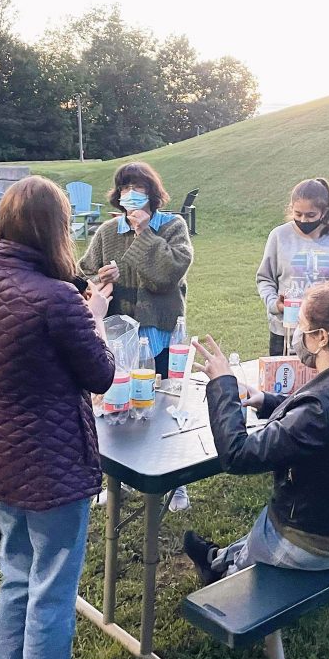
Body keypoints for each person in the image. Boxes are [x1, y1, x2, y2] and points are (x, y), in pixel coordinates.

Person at [0, 176, 115, 659]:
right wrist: (97, 314)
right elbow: (101, 374)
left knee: (18, 573)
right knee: (53, 588)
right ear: (55, 229)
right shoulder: (58, 299)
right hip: (52, 463)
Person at [182, 282, 329, 583]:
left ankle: (223, 573)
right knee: (268, 522)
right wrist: (267, 400)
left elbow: (237, 455)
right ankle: (220, 558)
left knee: (272, 527)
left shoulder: (319, 411)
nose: (297, 334)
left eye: (303, 327)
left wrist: (223, 384)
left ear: (321, 337)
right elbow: (322, 420)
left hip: (325, 541)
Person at [77, 161, 193, 511]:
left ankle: (175, 480)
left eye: (138, 187)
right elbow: (84, 273)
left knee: (163, 403)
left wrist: (145, 236)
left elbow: (167, 275)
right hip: (118, 331)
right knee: (117, 403)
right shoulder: (108, 232)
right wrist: (101, 275)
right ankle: (117, 478)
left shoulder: (173, 226)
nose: (131, 194)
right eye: (125, 187)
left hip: (159, 331)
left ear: (153, 193)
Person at [257, 178, 329, 356]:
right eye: (298, 214)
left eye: (311, 215)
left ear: (324, 211)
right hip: (285, 328)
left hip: (323, 329)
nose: (303, 220)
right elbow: (265, 278)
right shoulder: (279, 236)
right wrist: (274, 304)